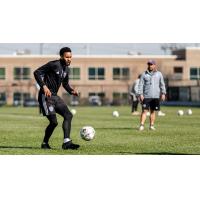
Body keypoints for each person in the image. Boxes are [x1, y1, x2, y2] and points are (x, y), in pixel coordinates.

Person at [34, 47, 80, 150]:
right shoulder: (53, 64)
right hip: (45, 97)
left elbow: (65, 84)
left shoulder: (66, 69)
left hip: (55, 96)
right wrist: (44, 86)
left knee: (68, 115)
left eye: (70, 57)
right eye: (67, 57)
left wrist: (72, 91)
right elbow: (36, 72)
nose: (69, 59)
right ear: (61, 56)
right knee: (54, 122)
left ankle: (66, 142)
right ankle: (45, 143)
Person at [137, 60, 166, 131]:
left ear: (154, 65)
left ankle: (151, 125)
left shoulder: (159, 74)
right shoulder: (144, 74)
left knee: (152, 111)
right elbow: (140, 85)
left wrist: (163, 93)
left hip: (155, 96)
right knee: (144, 111)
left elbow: (162, 84)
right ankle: (142, 125)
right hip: (146, 96)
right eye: (149, 64)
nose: (150, 66)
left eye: (151, 64)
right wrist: (140, 94)